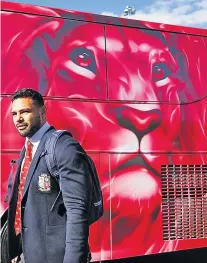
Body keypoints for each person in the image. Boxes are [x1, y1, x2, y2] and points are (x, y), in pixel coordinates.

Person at [7, 88, 91, 263]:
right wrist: (19, 251)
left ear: (43, 111)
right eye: (14, 113)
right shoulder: (27, 148)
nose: (18, 119)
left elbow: (77, 211)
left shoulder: (63, 147)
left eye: (25, 111)